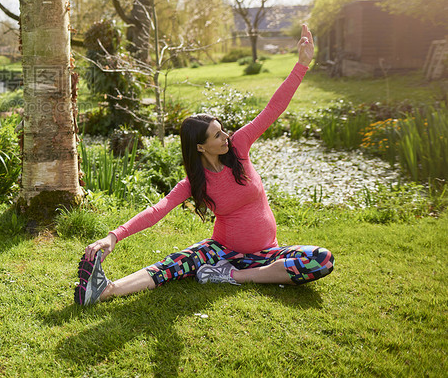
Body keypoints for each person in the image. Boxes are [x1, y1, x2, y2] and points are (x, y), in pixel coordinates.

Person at [75, 24, 334, 306]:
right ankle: (106, 290)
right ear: (200, 147)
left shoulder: (240, 146)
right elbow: (157, 210)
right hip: (220, 251)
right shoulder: (194, 183)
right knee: (172, 265)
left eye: (222, 131)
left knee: (321, 259)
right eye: (217, 135)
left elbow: (273, 109)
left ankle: (233, 276)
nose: (225, 137)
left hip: (267, 254)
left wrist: (302, 65)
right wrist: (113, 237)